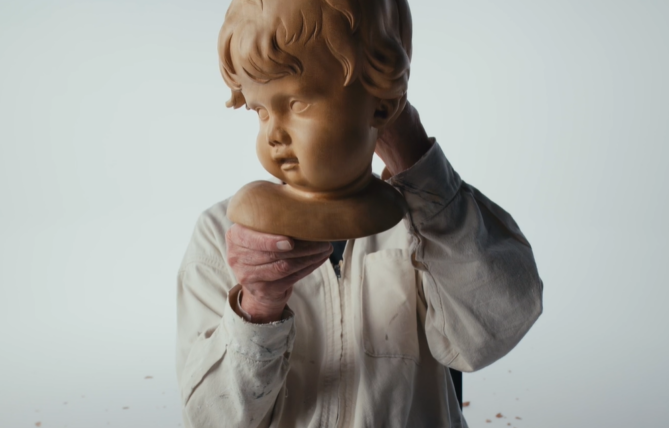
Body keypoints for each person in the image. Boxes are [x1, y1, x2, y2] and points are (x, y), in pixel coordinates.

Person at [176, 1, 543, 426]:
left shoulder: (427, 224)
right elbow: (209, 419)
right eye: (260, 110)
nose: (273, 134)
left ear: (383, 108)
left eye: (297, 103)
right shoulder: (220, 237)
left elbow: (498, 326)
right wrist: (257, 307)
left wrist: (418, 162)